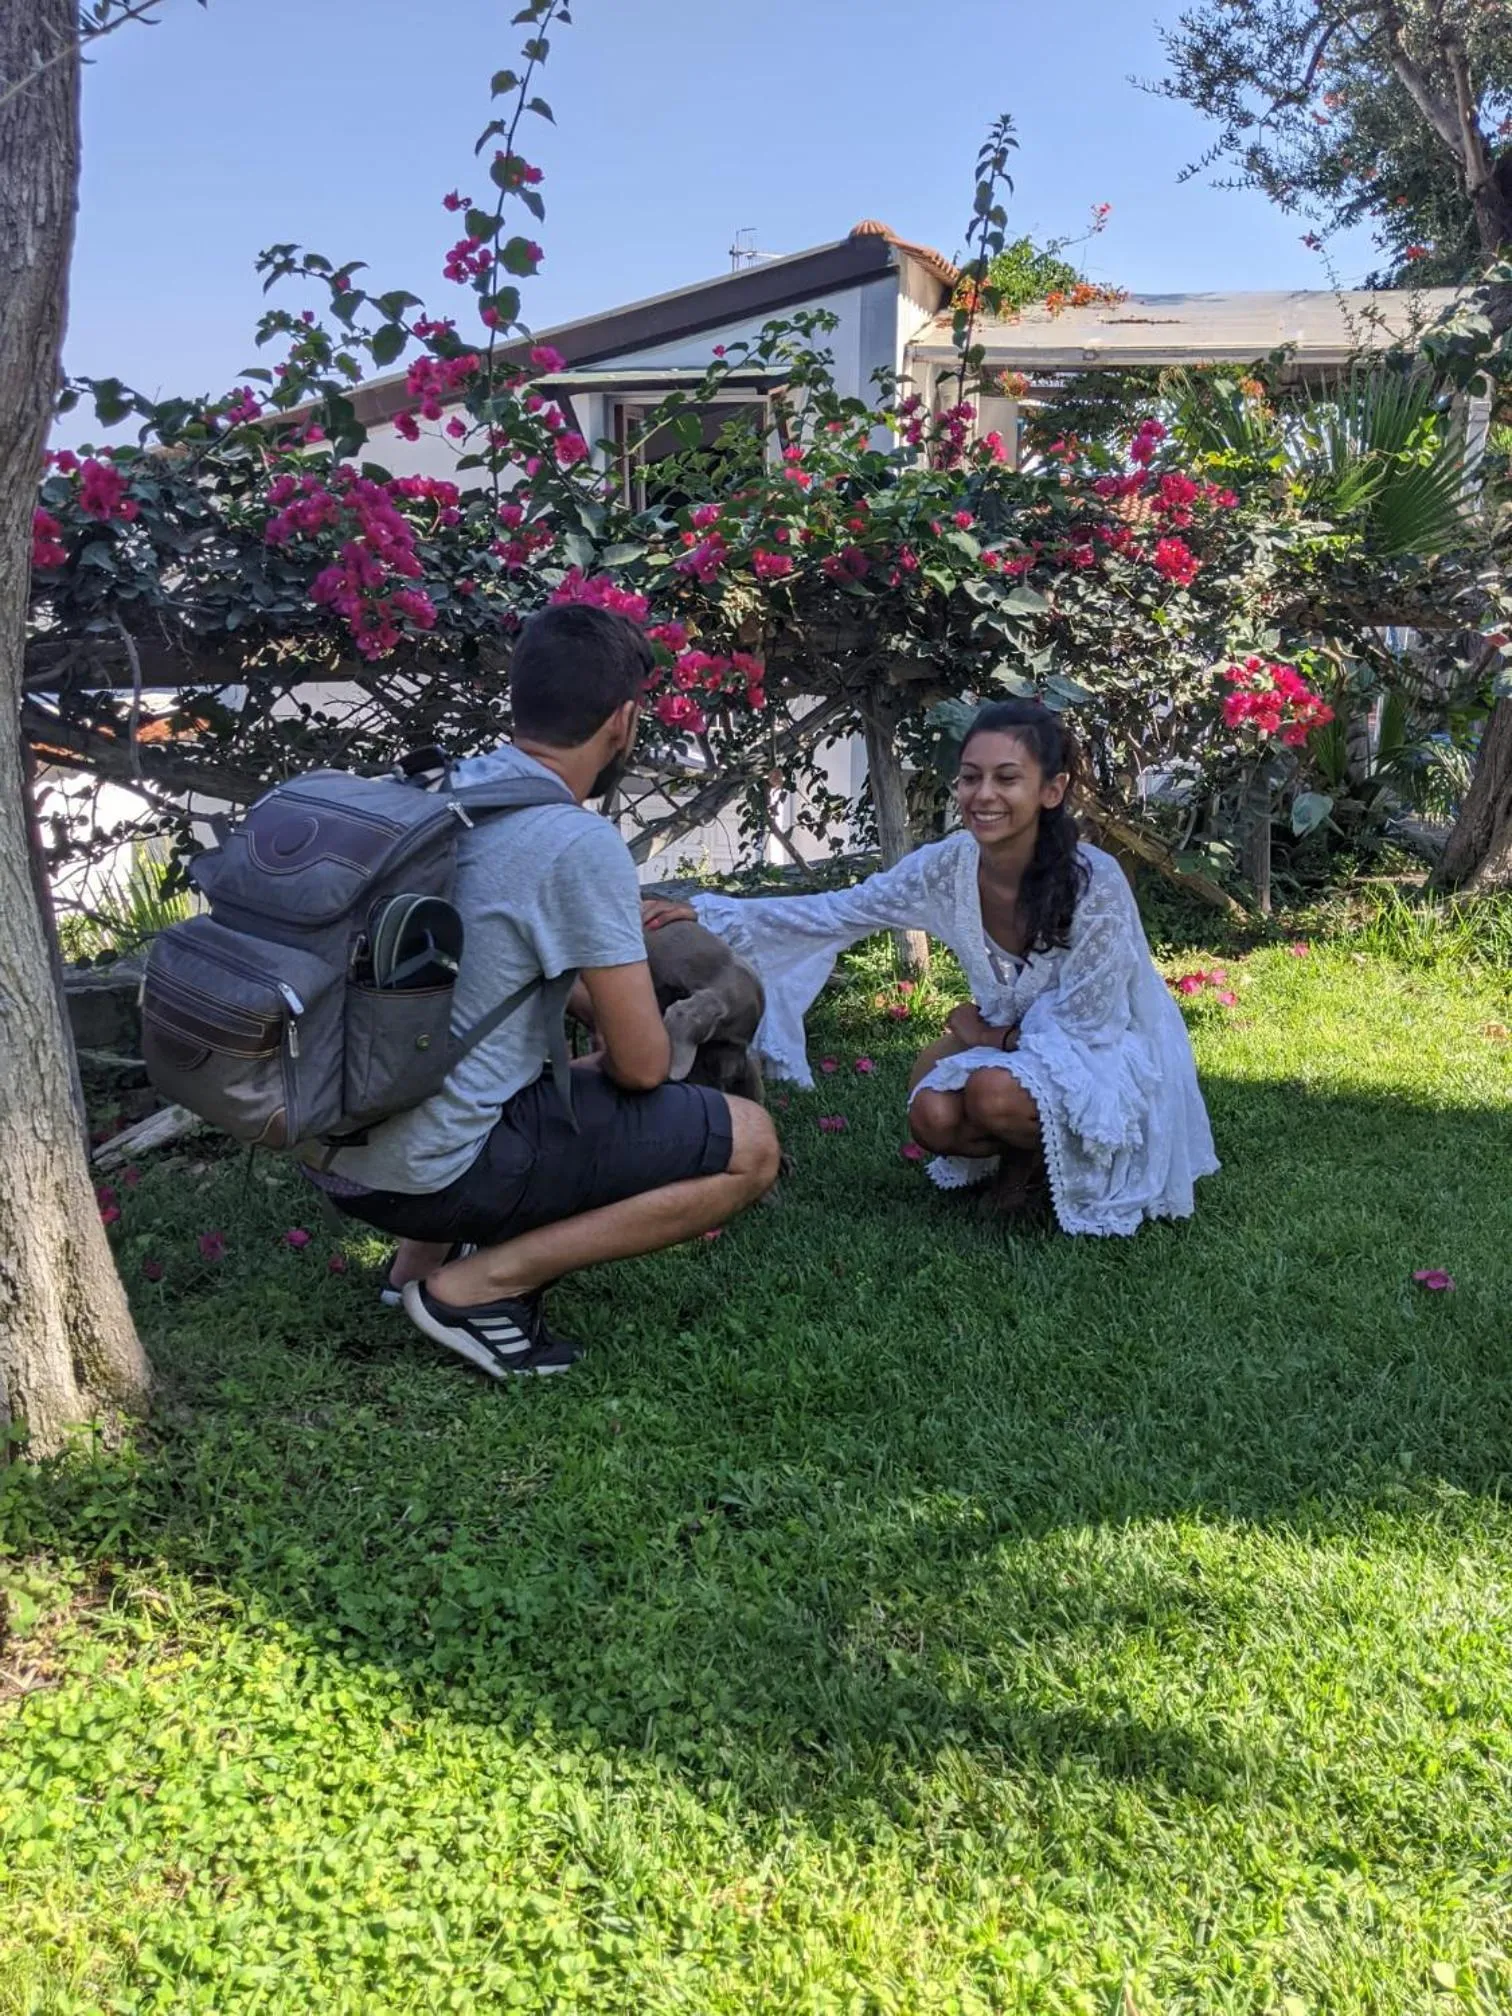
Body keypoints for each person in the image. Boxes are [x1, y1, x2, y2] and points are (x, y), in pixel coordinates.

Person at [308, 604, 781, 1376]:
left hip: (332, 1144)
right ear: (624, 721)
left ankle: (409, 1273)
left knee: (516, 1069)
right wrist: (650, 1032)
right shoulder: (576, 841)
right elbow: (641, 1068)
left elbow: (481, 968)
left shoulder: (439, 790)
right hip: (427, 1175)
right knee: (750, 1146)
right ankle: (476, 1289)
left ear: (518, 696)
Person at [648, 699, 1218, 1236]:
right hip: (1017, 1048)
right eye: (971, 777)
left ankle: (1034, 1168)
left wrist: (979, 1032)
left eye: (1007, 778)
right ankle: (1027, 1148)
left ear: (1052, 789)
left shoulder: (1094, 882)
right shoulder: (946, 867)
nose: (983, 795)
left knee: (994, 1093)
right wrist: (707, 912)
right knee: (932, 1116)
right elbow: (841, 910)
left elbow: (1090, 1025)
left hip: (1104, 1057)